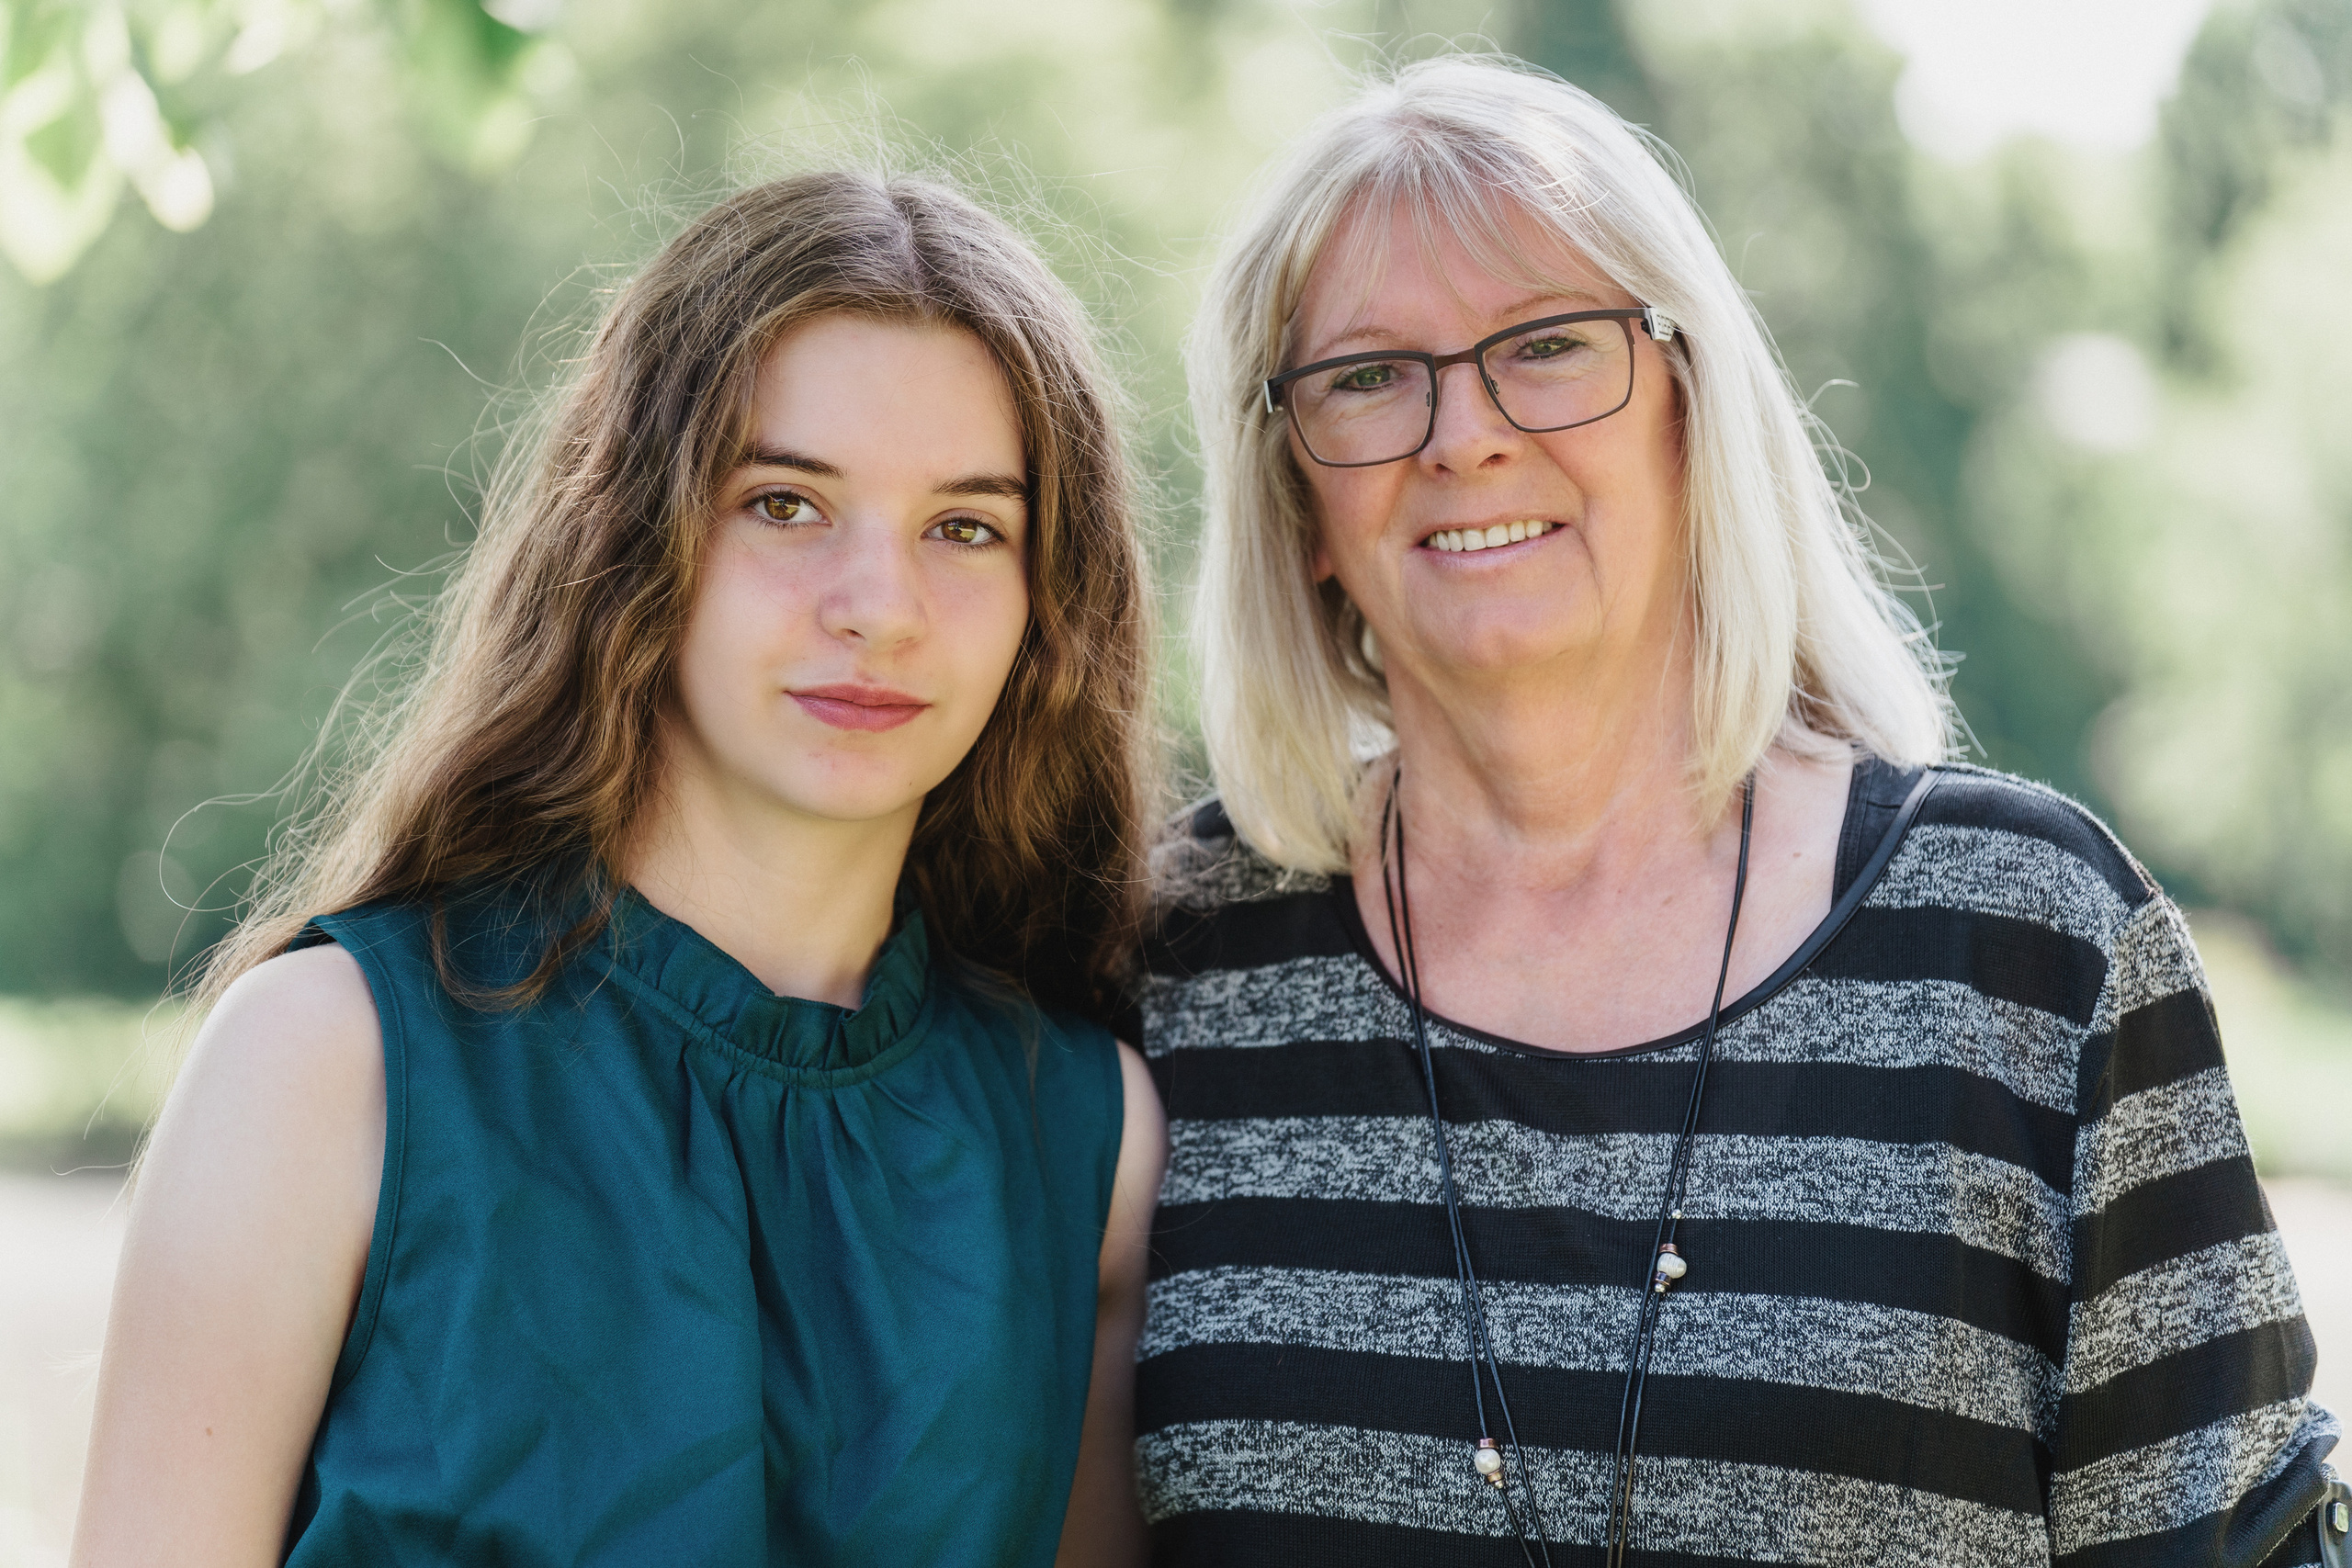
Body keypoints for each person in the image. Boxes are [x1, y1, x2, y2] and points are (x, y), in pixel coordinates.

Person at [1126, 56, 2344, 1567]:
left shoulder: (2029, 947)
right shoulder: (1171, 969)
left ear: (1691, 415)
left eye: (1550, 345)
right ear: (1295, 502)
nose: (1463, 434)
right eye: (1367, 376)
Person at [71, 170, 1167, 1567]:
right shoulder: (326, 1064)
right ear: (638, 538)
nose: (880, 608)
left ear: (1047, 605)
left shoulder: (1086, 1140)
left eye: (966, 528)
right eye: (785, 503)